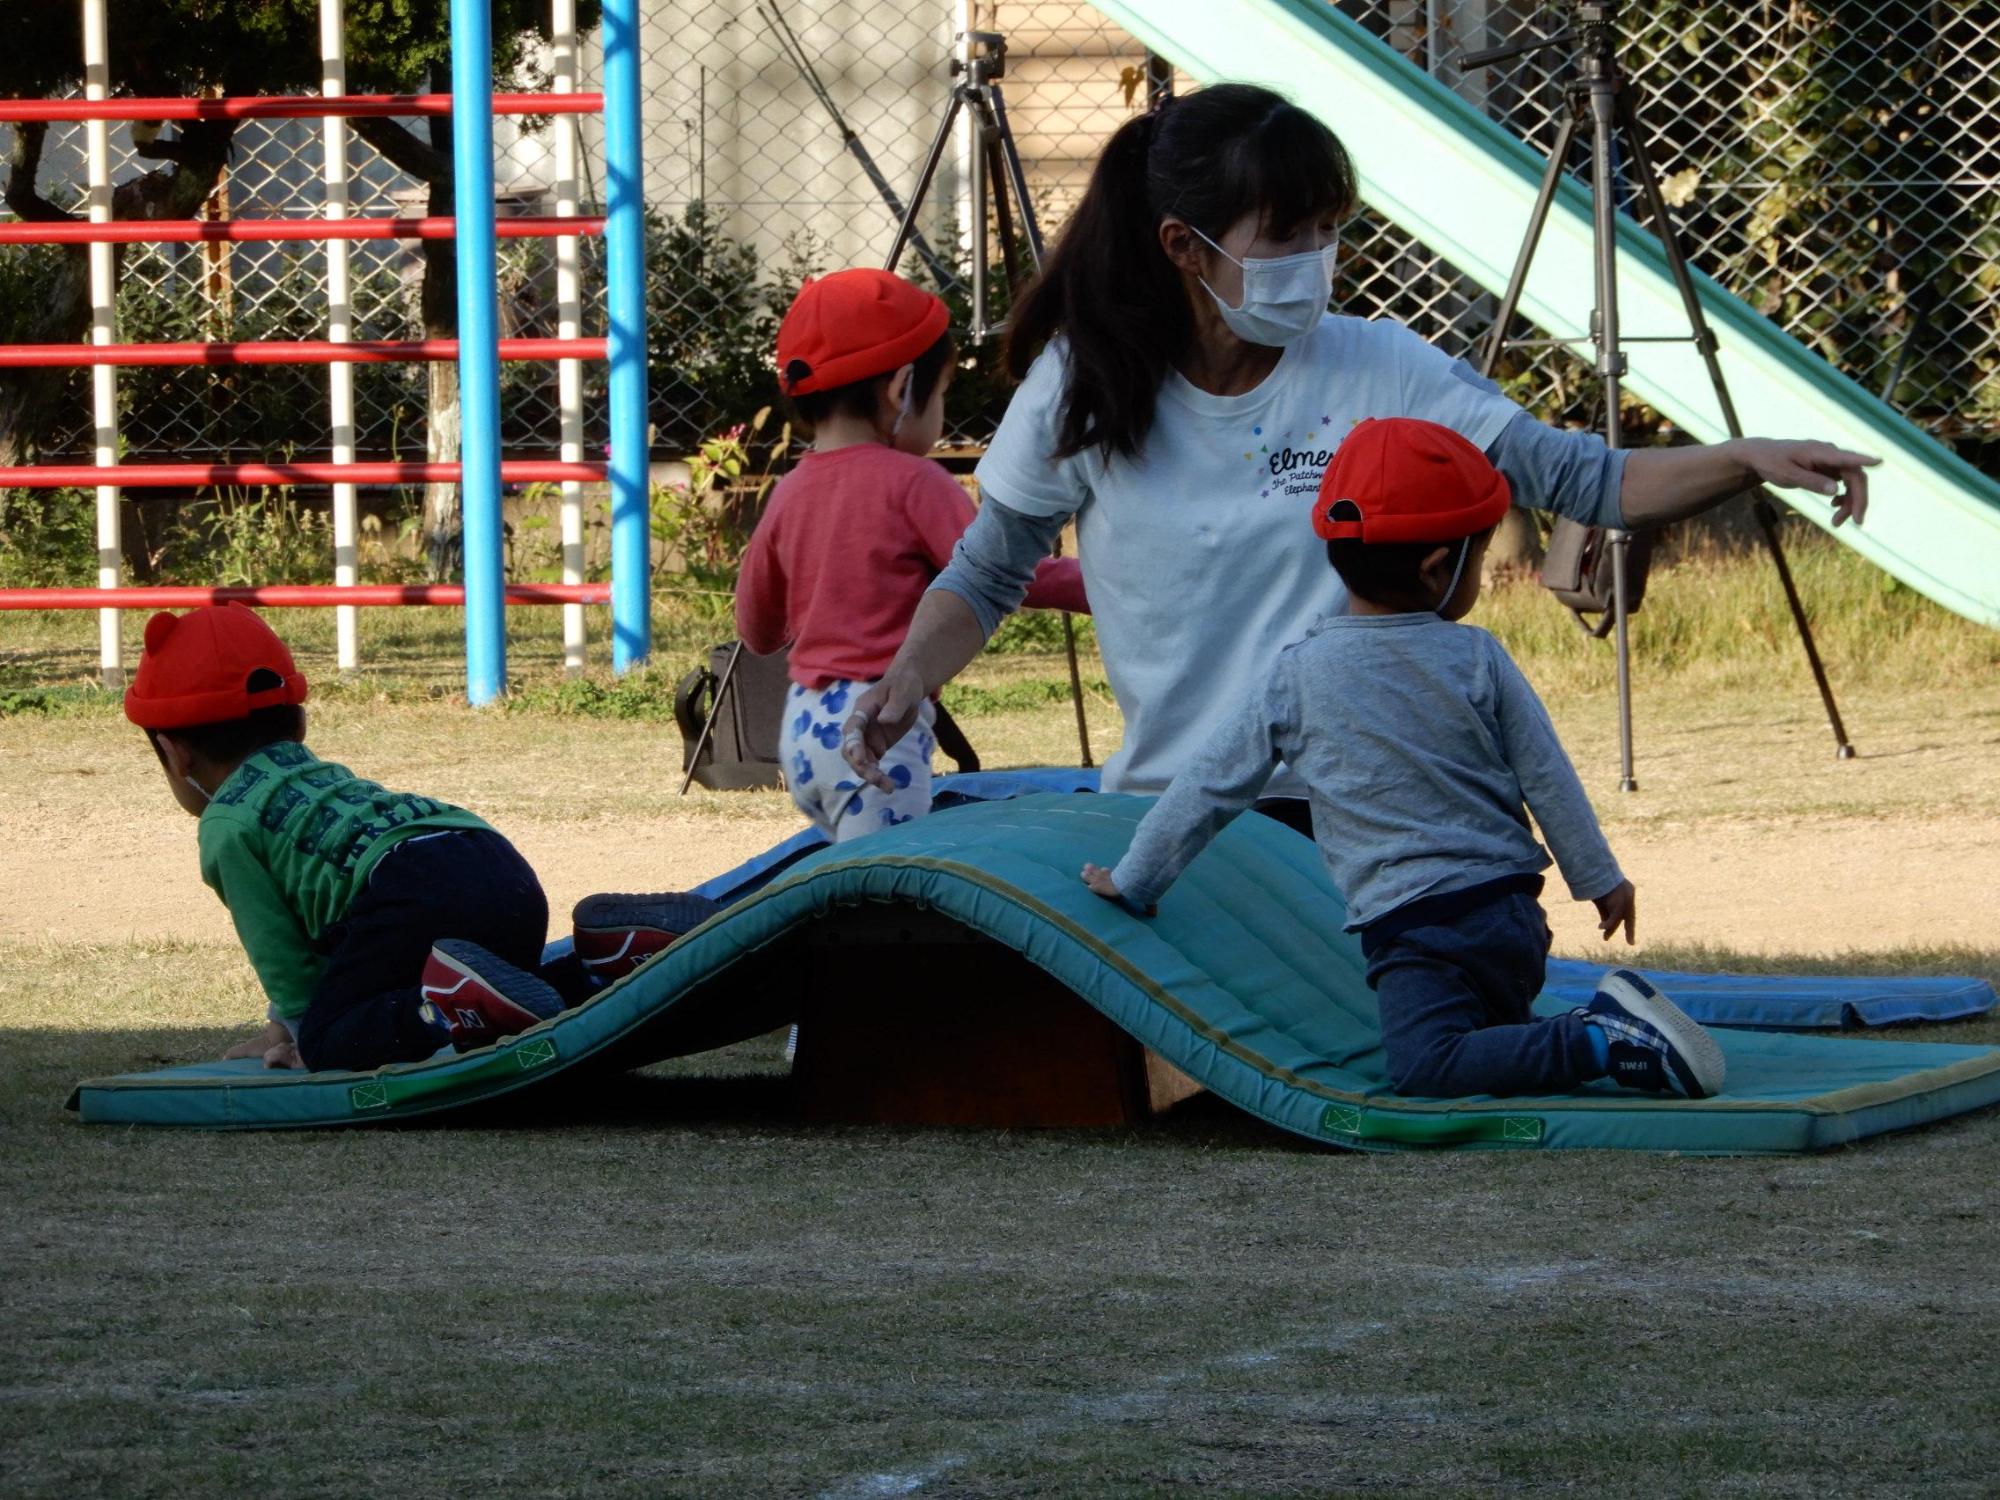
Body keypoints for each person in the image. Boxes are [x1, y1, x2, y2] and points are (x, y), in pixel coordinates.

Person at [842, 83, 1878, 826]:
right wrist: (903, 685)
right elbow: (986, 570)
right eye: (1284, 234)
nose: (1314, 261)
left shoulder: (1381, 364)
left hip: (1361, 812)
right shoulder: (1082, 385)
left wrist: (1743, 458)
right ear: (1180, 246)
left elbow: (1582, 480)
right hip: (1174, 814)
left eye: (1328, 230)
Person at [1080, 418, 1726, 1100]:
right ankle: (1595, 1030)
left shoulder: (1296, 675)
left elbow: (1208, 788)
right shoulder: (1478, 656)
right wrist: (1599, 878)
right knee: (1487, 1051)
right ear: (1436, 569)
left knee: (1427, 1069)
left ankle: (1602, 1038)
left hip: (1420, 931)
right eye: (1477, 560)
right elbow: (1546, 774)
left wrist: (1135, 881)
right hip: (1512, 917)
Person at [124, 604, 715, 1072]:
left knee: (333, 1039)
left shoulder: (226, 823)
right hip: (490, 858)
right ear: (299, 724)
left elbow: (284, 957)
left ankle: (443, 1009)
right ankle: (602, 959)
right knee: (506, 984)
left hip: (408, 890)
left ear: (175, 754)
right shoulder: (310, 778)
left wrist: (304, 1032)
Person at [737, 267, 1087, 841]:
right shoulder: (913, 483)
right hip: (875, 727)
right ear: (902, 390)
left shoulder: (788, 490)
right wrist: (1114, 583)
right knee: (884, 886)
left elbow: (756, 630)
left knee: (842, 880)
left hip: (800, 727)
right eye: (942, 392)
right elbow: (1009, 569)